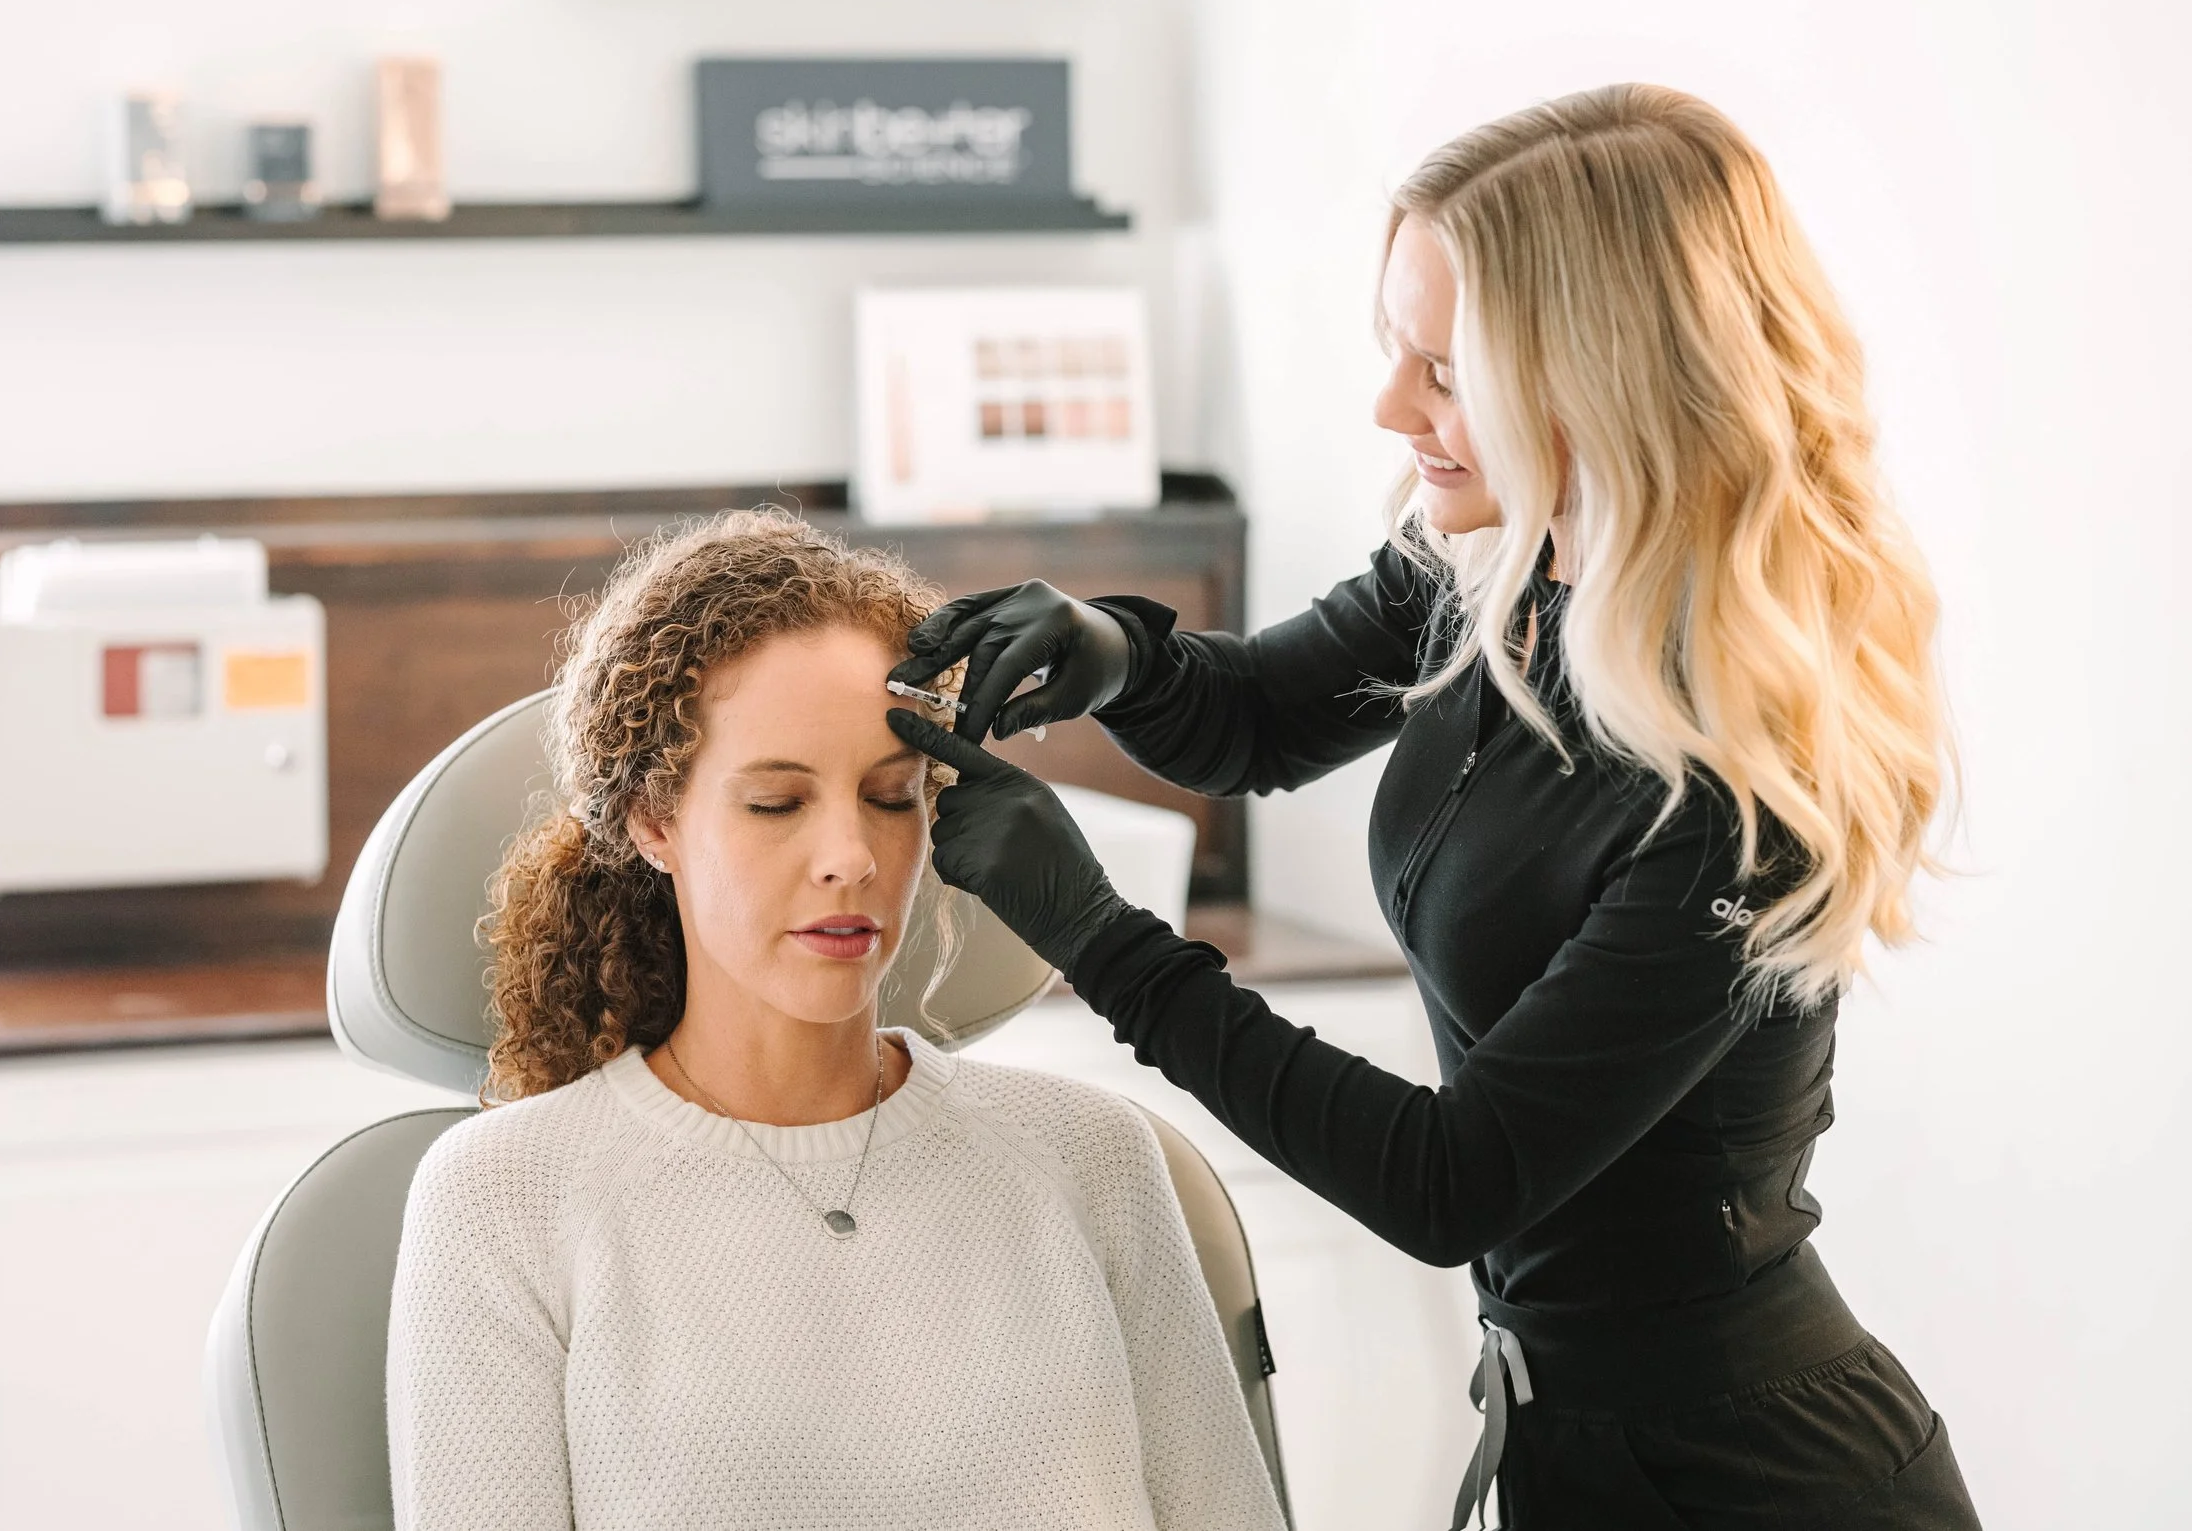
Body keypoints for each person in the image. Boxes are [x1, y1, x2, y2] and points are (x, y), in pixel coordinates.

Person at [886, 85, 1983, 1529]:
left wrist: (1097, 933)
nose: (1395, 408)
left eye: (1447, 371)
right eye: (1396, 351)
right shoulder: (1496, 564)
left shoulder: (1740, 787)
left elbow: (1453, 1176)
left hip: (1761, 1480)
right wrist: (1117, 651)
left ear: (1606, 381)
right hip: (1564, 1440)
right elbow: (1260, 717)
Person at [384, 509, 1285, 1531]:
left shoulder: (1097, 1161)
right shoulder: (505, 1202)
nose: (850, 856)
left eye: (892, 796)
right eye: (777, 802)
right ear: (653, 819)